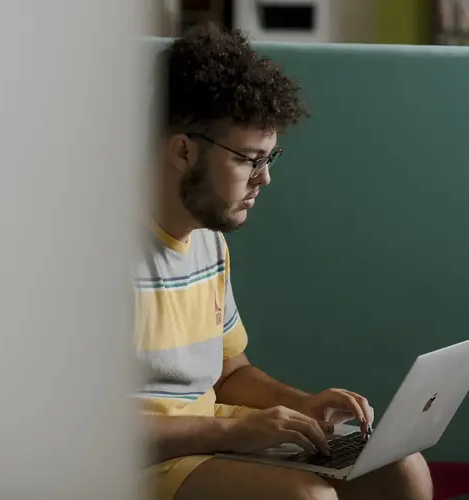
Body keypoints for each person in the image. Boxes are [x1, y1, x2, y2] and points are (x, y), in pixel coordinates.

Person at [134, 24, 433, 500]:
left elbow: (230, 374)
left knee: (402, 469)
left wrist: (304, 406)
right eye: (250, 159)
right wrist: (232, 433)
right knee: (306, 498)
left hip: (213, 437)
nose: (265, 178)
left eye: (270, 157)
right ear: (183, 151)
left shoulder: (209, 242)